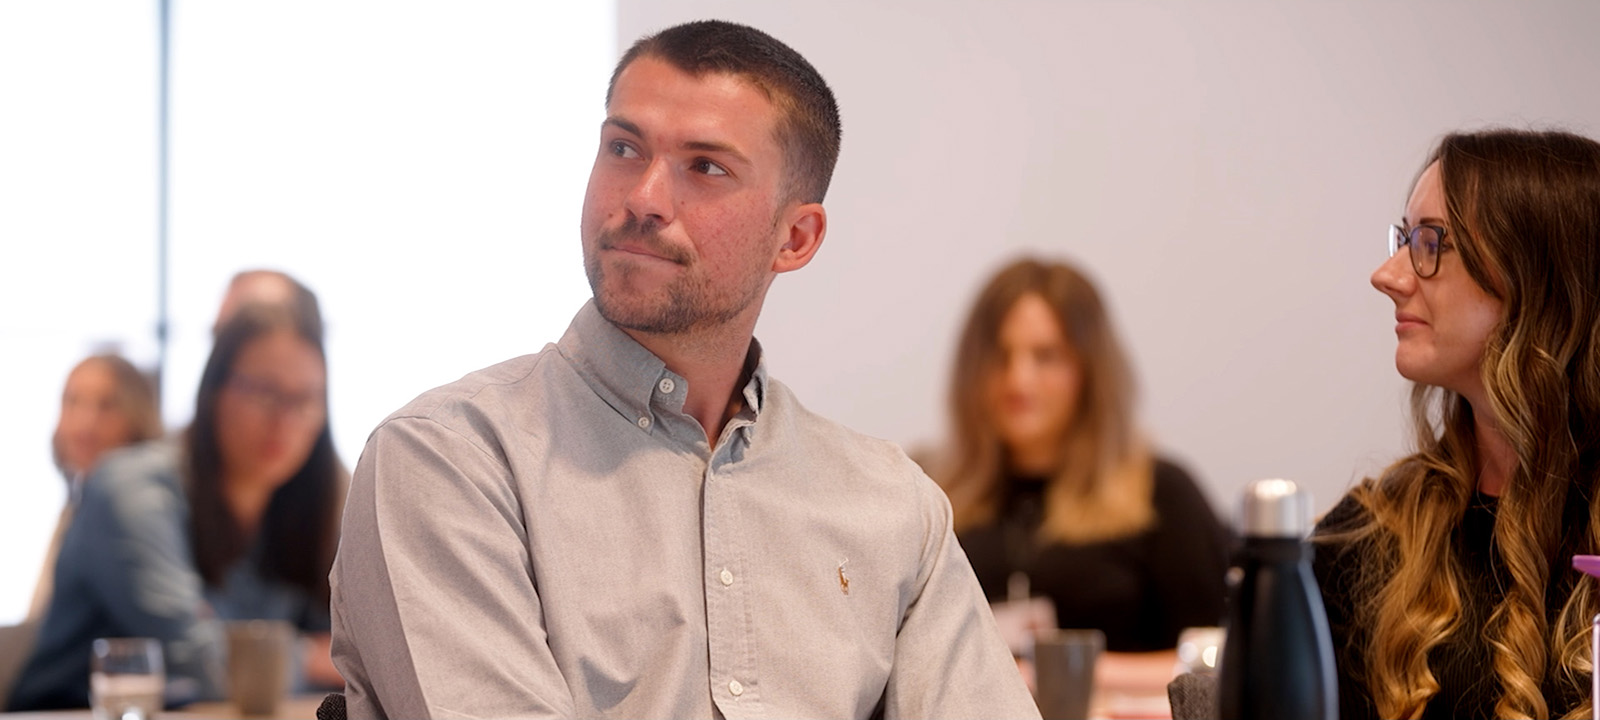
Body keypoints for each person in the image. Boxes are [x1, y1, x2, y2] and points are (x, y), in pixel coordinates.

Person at [329, 19, 1039, 720]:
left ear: (795, 238)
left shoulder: (890, 504)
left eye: (705, 167)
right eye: (623, 148)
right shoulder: (448, 460)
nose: (643, 198)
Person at [1312, 128, 1600, 719]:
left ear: (1536, 279)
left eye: (1430, 243)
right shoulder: (1369, 544)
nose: (1388, 275)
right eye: (1405, 238)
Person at [7, 301, 346, 711]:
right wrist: (317, 656)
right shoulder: (132, 489)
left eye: (305, 399)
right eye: (263, 393)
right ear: (213, 391)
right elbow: (203, 663)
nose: (284, 420)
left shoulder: (301, 506)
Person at [923, 257, 1229, 690]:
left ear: (1091, 371)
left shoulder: (1163, 493)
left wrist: (1052, 676)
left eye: (1045, 356)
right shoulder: (927, 494)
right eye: (1000, 356)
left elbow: (1222, 659)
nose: (1018, 379)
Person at [28, 353, 164, 620]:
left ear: (138, 417)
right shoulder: (75, 508)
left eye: (106, 406)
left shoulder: (136, 513)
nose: (85, 423)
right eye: (72, 402)